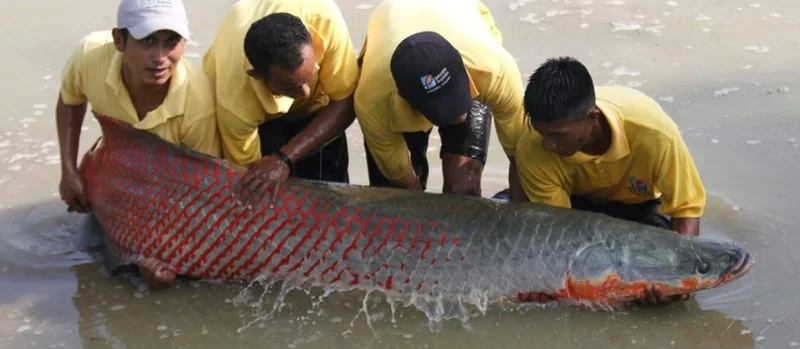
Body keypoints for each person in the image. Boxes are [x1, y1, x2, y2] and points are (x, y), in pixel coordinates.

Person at [57, 0, 221, 290]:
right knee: (82, 259)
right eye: (147, 41)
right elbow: (70, 101)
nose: (160, 58)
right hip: (113, 167)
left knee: (163, 280)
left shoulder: (198, 101)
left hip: (168, 190)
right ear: (119, 40)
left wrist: (156, 251)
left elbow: (202, 197)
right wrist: (68, 171)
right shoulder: (89, 55)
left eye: (172, 41)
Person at [514, 56, 706, 237]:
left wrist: (685, 268)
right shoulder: (532, 148)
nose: (548, 145)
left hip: (641, 206)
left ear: (592, 117)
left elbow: (685, 210)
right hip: (576, 204)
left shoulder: (656, 135)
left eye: (559, 135)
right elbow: (562, 229)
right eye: (542, 133)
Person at [354, 0, 528, 198]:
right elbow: (405, 184)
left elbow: (521, 158)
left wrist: (521, 209)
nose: (460, 116)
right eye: (442, 108)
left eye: (456, 97)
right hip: (388, 24)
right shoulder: (372, 102)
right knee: (395, 195)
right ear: (404, 96)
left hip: (456, 15)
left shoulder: (495, 71)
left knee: (462, 189)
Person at [202, 0, 360, 204]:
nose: (305, 93)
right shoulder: (235, 100)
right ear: (257, 75)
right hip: (259, 114)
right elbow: (251, 173)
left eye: (310, 77)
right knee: (265, 188)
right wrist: (275, 162)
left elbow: (345, 101)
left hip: (318, 108)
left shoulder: (326, 23)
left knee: (332, 193)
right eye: (290, 87)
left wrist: (286, 157)